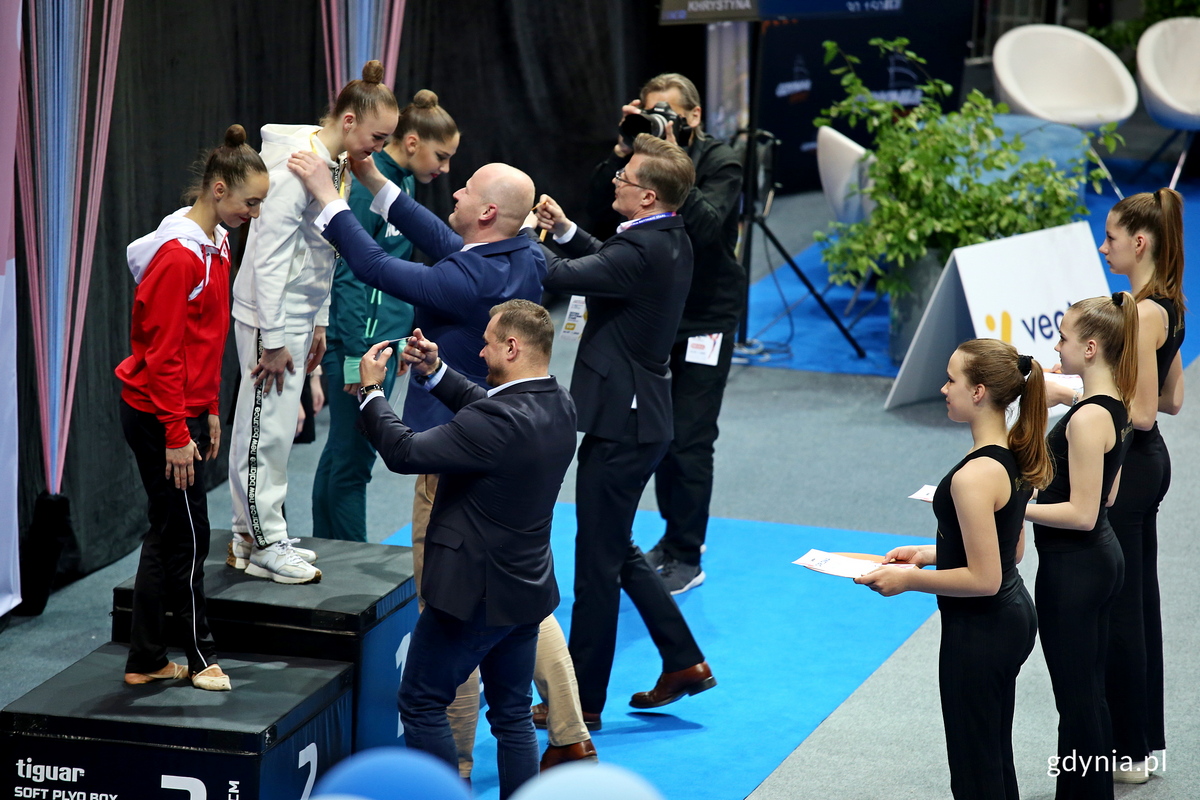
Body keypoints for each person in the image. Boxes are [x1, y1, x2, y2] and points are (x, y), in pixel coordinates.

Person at [287, 148, 596, 773]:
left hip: (457, 473)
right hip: (523, 560)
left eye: (465, 191)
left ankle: (449, 770)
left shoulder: (468, 285)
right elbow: (444, 239)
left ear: (486, 212)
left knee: (437, 658)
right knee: (514, 680)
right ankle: (567, 729)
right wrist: (376, 183)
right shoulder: (525, 259)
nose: (450, 195)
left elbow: (375, 265)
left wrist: (328, 197)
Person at [357, 301, 578, 800]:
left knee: (420, 701)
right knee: (513, 713)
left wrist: (372, 391)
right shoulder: (560, 404)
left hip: (470, 598)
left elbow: (404, 451)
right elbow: (488, 405)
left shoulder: (495, 423)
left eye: (487, 341)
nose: (480, 349)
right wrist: (436, 372)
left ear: (513, 347)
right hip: (525, 593)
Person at [533, 133, 716, 723]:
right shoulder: (663, 236)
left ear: (648, 197)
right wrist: (563, 230)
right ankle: (684, 661)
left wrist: (507, 234)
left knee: (596, 566)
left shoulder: (642, 250)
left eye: (626, 177)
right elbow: (603, 265)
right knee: (616, 548)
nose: (615, 179)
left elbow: (566, 277)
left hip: (624, 425)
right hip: (636, 419)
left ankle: (581, 704)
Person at [226, 60, 399, 584]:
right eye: (376, 137)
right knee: (266, 433)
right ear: (348, 121)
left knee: (273, 429)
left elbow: (320, 251)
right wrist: (275, 339)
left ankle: (246, 536)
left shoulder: (332, 163)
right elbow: (267, 259)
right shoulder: (294, 168)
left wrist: (319, 322)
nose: (378, 149)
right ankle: (265, 543)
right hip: (268, 320)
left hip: (297, 317)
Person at [856, 340, 1052, 799]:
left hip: (981, 629)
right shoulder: (1014, 452)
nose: (944, 389)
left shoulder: (973, 476)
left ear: (980, 392)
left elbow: (982, 579)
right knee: (992, 753)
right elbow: (1011, 550)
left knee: (974, 767)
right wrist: (927, 555)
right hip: (1010, 615)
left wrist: (908, 580)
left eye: (952, 380)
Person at [117, 124, 270, 691]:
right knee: (187, 536)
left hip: (181, 408)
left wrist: (208, 407)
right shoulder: (179, 258)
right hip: (157, 413)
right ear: (218, 190)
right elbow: (160, 354)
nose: (255, 213)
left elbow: (205, 339)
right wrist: (176, 430)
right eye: (250, 202)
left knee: (169, 531)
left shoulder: (219, 246)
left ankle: (146, 657)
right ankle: (200, 655)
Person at [586, 72, 745, 595]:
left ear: (693, 117)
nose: (659, 122)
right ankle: (664, 539)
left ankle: (686, 549)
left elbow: (706, 227)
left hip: (705, 320)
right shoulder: (634, 162)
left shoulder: (721, 162)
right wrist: (621, 150)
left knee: (690, 438)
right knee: (651, 432)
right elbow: (600, 211)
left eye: (668, 113)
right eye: (650, 111)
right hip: (653, 319)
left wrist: (676, 165)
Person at [311, 89, 459, 543]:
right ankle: (349, 564)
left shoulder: (401, 182)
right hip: (361, 348)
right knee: (354, 460)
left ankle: (328, 549)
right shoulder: (366, 182)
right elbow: (350, 271)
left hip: (381, 344)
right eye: (442, 155)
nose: (446, 169)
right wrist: (360, 357)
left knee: (343, 454)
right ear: (412, 142)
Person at [1025, 293, 1139, 799]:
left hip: (1075, 568)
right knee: (1087, 693)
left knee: (1076, 698)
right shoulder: (1114, 405)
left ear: (1090, 348)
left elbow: (1083, 512)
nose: (1057, 345)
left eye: (1064, 338)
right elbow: (1108, 492)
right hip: (1096, 559)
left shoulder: (1089, 418)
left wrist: (1013, 506)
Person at [1099, 189, 1185, 784]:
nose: (1103, 247)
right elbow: (1177, 397)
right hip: (1151, 464)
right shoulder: (1169, 304)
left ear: (1140, 241)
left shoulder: (1140, 310)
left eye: (1110, 237)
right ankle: (1142, 744)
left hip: (1133, 464)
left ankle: (1127, 752)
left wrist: (1081, 395)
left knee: (1120, 605)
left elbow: (1148, 410)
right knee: (1138, 601)